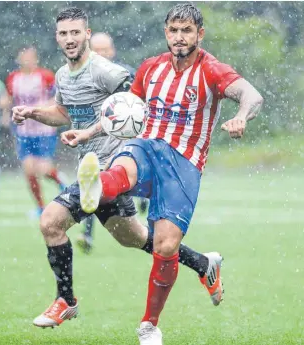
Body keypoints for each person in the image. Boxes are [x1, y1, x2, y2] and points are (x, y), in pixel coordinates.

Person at [12, 7, 224, 330]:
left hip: (113, 168)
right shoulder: (63, 75)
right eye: (63, 33)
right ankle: (203, 262)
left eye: (75, 33)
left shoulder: (106, 71)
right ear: (57, 37)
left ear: (86, 33)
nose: (70, 39)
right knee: (140, 239)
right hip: (95, 171)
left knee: (50, 222)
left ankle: (65, 301)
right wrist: (33, 113)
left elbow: (134, 104)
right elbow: (62, 112)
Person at [76, 3, 264, 344]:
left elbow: (252, 95)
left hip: (184, 165)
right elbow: (122, 113)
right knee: (124, 165)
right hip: (148, 147)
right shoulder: (150, 69)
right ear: (166, 33)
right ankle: (99, 185)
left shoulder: (212, 71)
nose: (179, 38)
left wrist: (242, 116)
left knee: (165, 246)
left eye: (187, 31)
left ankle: (149, 323)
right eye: (174, 31)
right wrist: (88, 134)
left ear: (199, 35)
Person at [75, 32, 148, 254]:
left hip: (124, 141)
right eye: (96, 50)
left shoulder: (126, 75)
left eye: (105, 50)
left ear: (112, 51)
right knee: (91, 183)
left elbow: (141, 104)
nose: (101, 54)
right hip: (95, 142)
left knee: (112, 182)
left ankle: (144, 198)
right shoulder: (82, 77)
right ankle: (88, 234)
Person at [6, 47, 67, 217]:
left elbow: (57, 96)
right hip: (24, 131)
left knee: (43, 168)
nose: (26, 60)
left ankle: (61, 182)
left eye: (30, 57)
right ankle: (41, 207)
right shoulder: (13, 78)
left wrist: (45, 110)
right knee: (29, 170)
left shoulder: (45, 76)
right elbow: (10, 98)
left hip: (44, 130)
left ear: (36, 59)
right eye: (23, 57)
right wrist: (5, 110)